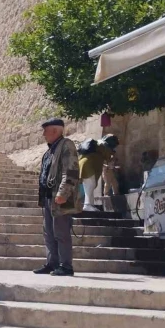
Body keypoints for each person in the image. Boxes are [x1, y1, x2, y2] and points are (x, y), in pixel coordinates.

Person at [33, 118, 81, 277]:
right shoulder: (50, 150)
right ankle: (52, 263)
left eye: (45, 131)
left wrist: (63, 193)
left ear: (54, 131)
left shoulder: (67, 145)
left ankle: (66, 266)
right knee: (49, 232)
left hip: (60, 198)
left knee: (61, 232)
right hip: (49, 198)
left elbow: (71, 170)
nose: (43, 134)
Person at [79, 134, 119, 211]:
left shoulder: (99, 142)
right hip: (88, 164)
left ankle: (90, 205)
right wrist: (112, 154)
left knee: (90, 185)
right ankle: (87, 205)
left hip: (84, 163)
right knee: (90, 185)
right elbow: (108, 159)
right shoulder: (104, 145)